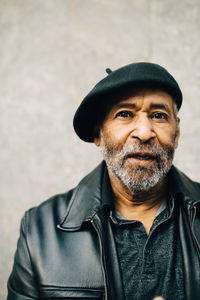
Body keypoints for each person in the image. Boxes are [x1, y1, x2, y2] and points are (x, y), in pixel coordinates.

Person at [7, 62, 200, 300]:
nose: (144, 132)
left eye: (159, 116)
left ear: (177, 132)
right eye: (125, 114)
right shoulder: (39, 231)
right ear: (98, 133)